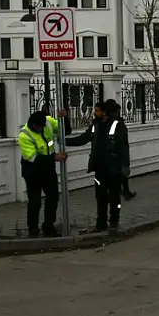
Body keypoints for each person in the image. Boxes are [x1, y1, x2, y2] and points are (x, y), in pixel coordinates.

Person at [65, 100, 131, 235]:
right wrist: (64, 141)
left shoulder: (118, 126)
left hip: (114, 168)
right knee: (100, 197)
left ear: (104, 112)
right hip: (100, 168)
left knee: (114, 198)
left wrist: (125, 166)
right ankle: (101, 223)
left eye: (97, 110)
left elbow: (124, 147)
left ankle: (114, 222)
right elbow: (83, 138)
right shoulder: (96, 126)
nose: (94, 113)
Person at [18, 110, 68, 237]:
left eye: (42, 126)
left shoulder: (48, 122)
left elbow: (65, 131)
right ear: (32, 124)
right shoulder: (24, 135)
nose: (41, 128)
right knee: (35, 201)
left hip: (48, 169)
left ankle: (48, 226)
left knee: (53, 197)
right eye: (38, 127)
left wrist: (64, 118)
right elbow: (34, 158)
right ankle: (33, 228)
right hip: (33, 170)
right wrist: (54, 158)